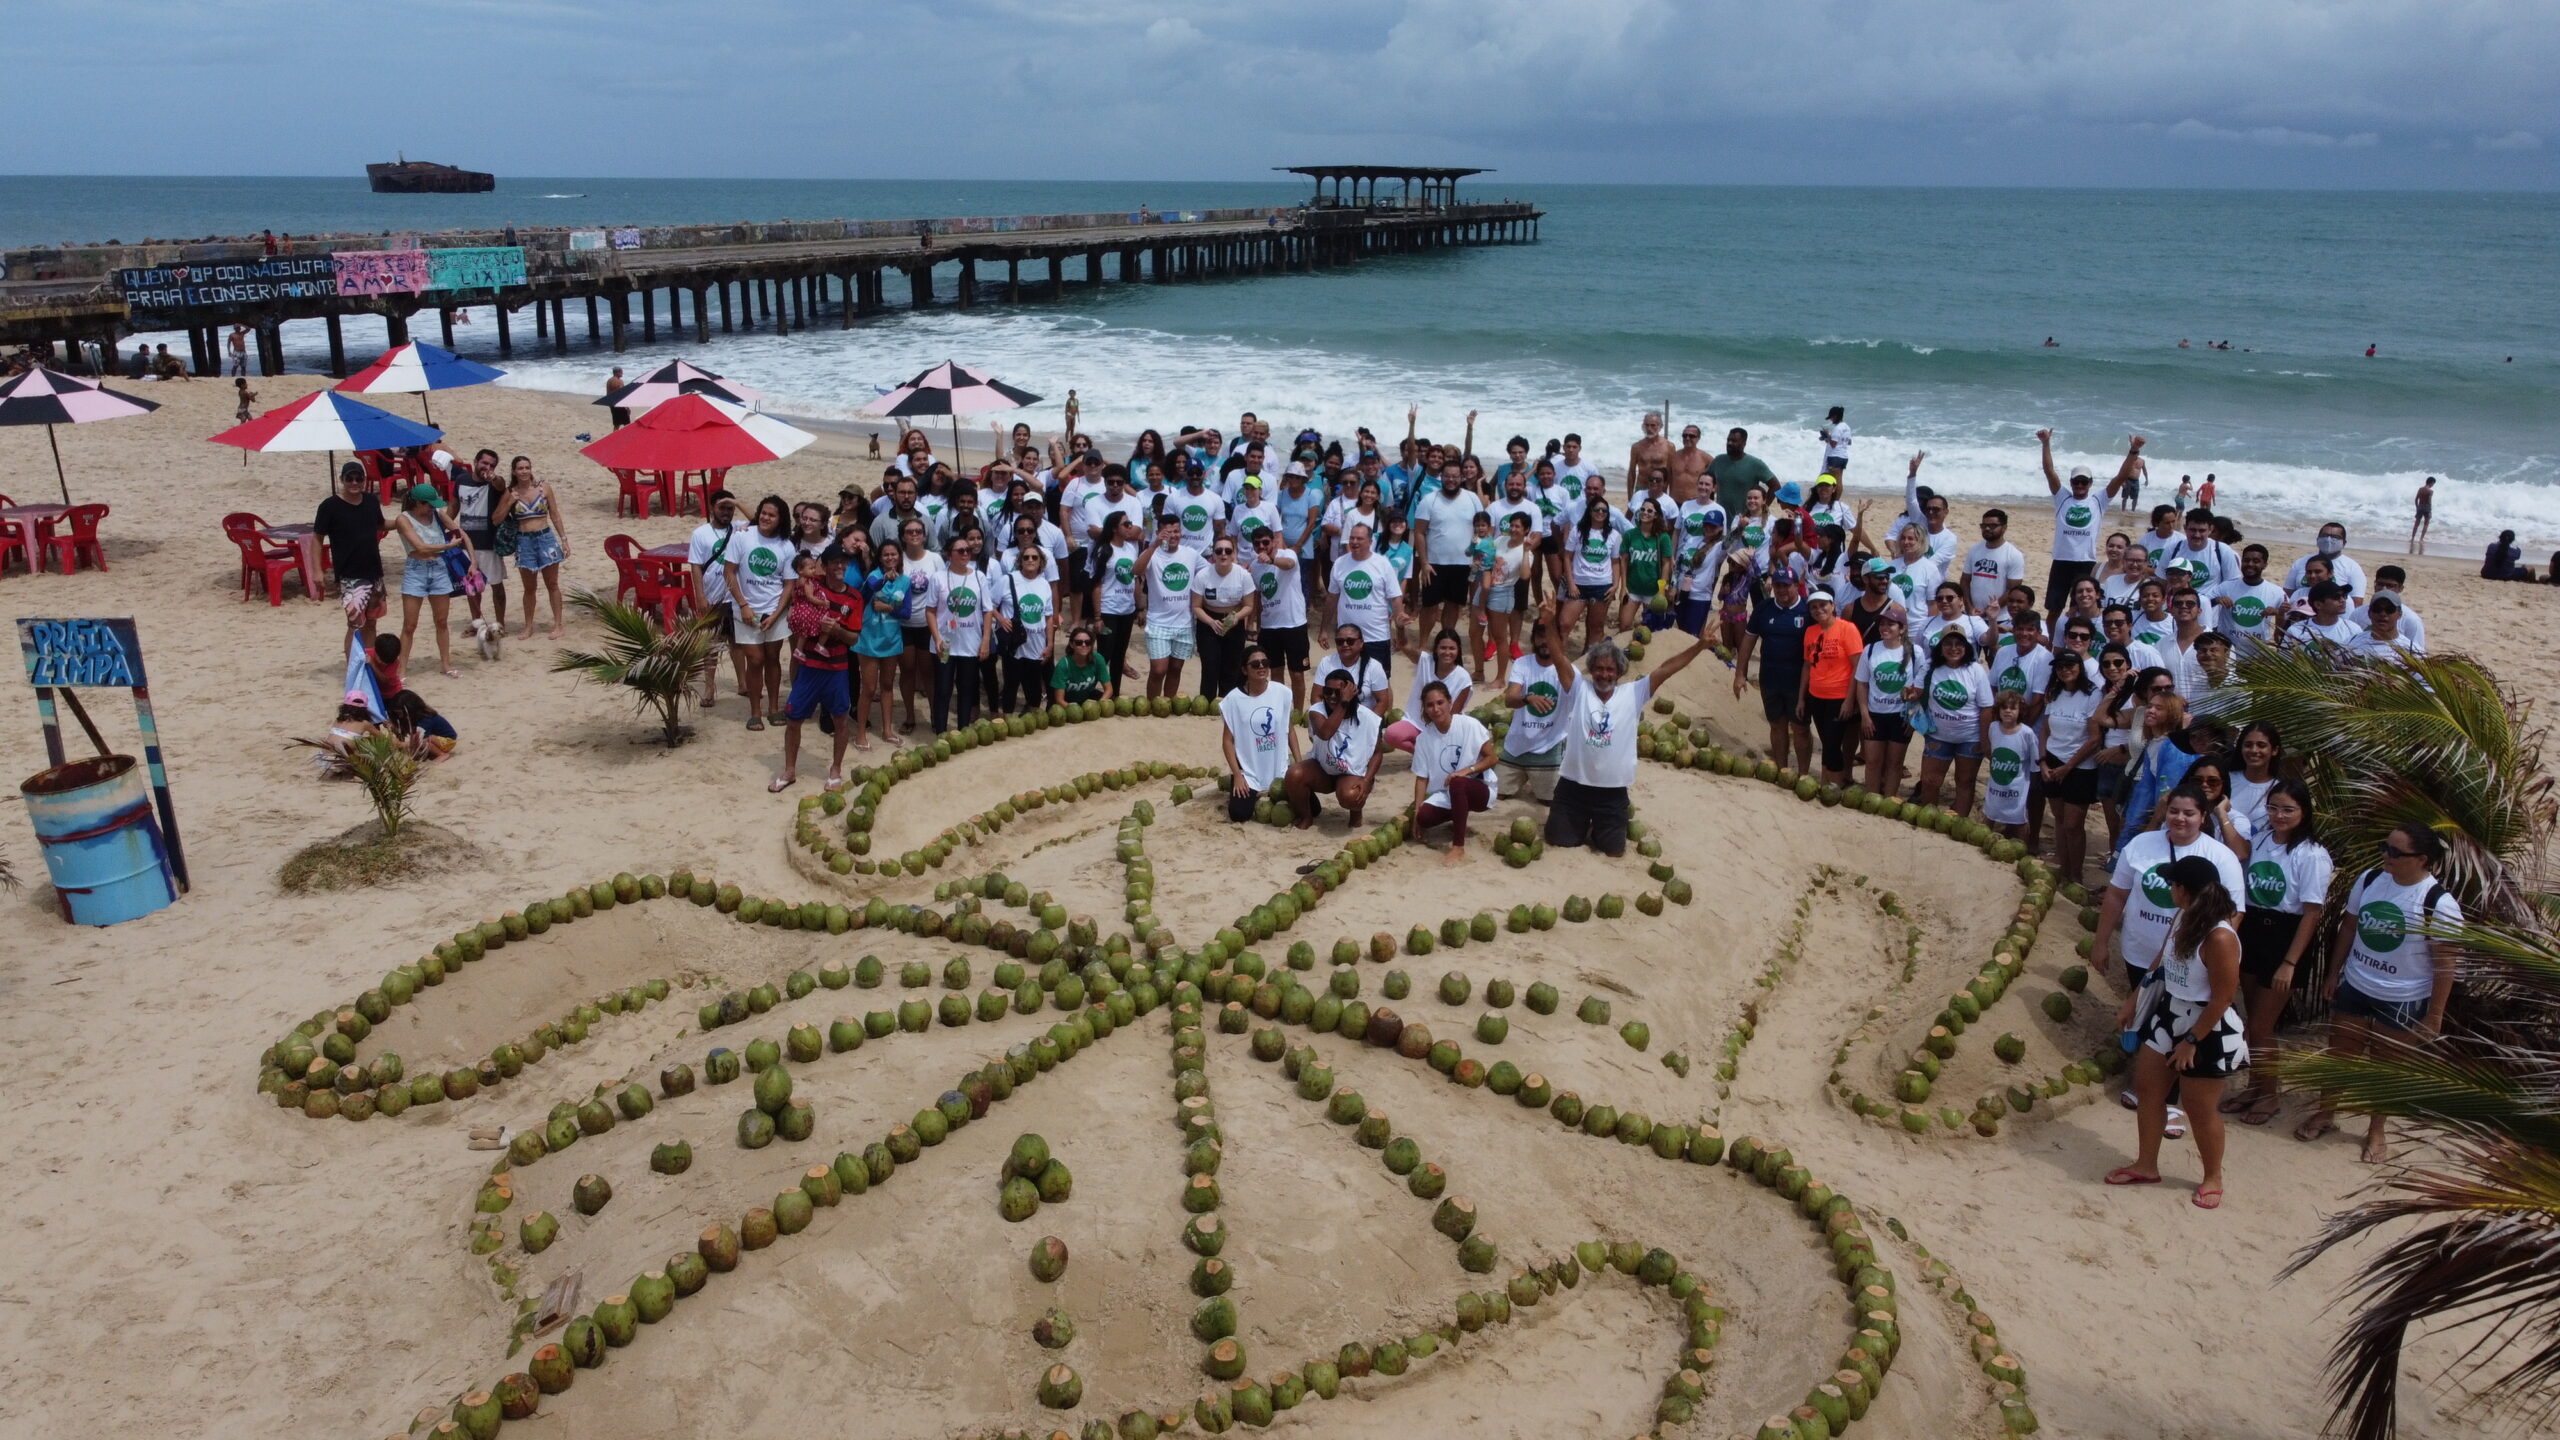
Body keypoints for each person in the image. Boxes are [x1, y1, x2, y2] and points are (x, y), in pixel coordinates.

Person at [2297, 824, 2463, 1162]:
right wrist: (2333, 973)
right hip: (2357, 984)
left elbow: (2446, 962)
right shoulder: (2371, 879)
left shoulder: (2438, 904)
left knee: (2385, 1069)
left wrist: (2435, 1015)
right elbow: (2350, 926)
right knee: (2340, 1055)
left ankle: (2376, 1129)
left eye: (2395, 852)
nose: (2385, 855)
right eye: (2384, 847)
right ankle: (2327, 1112)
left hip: (2402, 997)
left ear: (2422, 859)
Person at [2106, 855, 2247, 1209]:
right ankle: (2146, 1164)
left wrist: (2191, 1041)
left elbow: (2223, 997)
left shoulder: (2219, 937)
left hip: (2206, 1026)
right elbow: (2161, 962)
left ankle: (2213, 1176)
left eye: (2172, 884)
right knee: (2148, 1089)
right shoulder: (2185, 916)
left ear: (2184, 889)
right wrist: (2133, 1001)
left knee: (2200, 1109)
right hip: (2171, 1013)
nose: (2169, 889)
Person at [1534, 594, 1713, 855]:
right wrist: (1550, 623)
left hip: (1612, 791)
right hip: (1574, 786)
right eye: (1599, 669)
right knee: (1558, 839)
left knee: (1613, 849)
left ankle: (1599, 825)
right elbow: (1559, 656)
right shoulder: (1579, 688)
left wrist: (1699, 646)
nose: (1604, 674)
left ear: (1618, 672)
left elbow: (1667, 668)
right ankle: (1579, 823)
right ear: (1591, 669)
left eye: (1610, 670)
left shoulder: (1633, 693)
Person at [2221, 778, 2330, 1127]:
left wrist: (2289, 963)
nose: (2279, 815)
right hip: (2253, 929)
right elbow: (2239, 849)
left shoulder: (2312, 854)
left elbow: (2312, 912)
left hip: (2286, 936)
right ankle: (2256, 1087)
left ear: (2304, 812)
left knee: (2262, 1024)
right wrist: (2221, 813)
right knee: (2253, 1019)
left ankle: (2270, 1093)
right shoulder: (2264, 839)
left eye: (2288, 809)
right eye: (2273, 807)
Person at [774, 547, 862, 790]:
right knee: (793, 718)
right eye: (835, 562)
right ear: (823, 565)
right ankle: (789, 770)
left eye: (844, 563)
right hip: (810, 665)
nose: (840, 567)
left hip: (837, 666)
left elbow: (854, 638)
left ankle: (835, 769)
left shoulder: (854, 597)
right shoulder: (814, 584)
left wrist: (836, 631)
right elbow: (795, 584)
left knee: (841, 720)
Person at [722, 495, 796, 730]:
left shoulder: (786, 545)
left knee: (773, 658)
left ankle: (773, 708)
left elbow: (788, 584)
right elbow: (730, 572)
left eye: (771, 515)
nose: (765, 517)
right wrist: (743, 605)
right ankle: (755, 711)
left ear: (780, 519)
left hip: (775, 611)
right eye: (763, 512)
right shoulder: (742, 537)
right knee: (755, 660)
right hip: (746, 610)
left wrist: (776, 614)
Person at [1408, 679, 1498, 864]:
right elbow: (1422, 778)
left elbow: (1492, 758)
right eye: (1430, 705)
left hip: (1480, 788)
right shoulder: (1424, 739)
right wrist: (1417, 812)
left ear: (1449, 702)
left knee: (1458, 782)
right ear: (1425, 709)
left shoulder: (1469, 725)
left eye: (1440, 702)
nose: (1436, 709)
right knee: (1425, 818)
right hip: (1447, 793)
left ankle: (1458, 847)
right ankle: (1459, 812)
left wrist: (1467, 770)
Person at [1733, 569, 1812, 773]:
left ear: (1796, 585)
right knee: (1777, 725)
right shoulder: (1764, 608)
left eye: (1787, 585)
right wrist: (1740, 674)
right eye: (1778, 585)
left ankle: (1803, 773)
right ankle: (1781, 769)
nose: (1782, 589)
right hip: (1770, 678)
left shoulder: (1808, 609)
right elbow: (1748, 640)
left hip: (1798, 681)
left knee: (1800, 728)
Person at [1288, 663, 1384, 828]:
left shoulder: (1368, 718)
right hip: (1323, 770)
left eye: (1338, 692)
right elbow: (1326, 733)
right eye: (1327, 691)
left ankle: (1356, 815)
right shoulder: (1317, 711)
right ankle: (1306, 816)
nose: (1331, 696)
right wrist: (1343, 703)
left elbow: (1377, 753)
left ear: (1350, 693)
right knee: (1294, 774)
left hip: (1351, 773)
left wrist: (1367, 780)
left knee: (1350, 795)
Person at [1911, 629, 1995, 816]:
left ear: (1966, 647)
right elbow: (1915, 693)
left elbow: (1987, 708)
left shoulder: (1975, 671)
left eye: (1959, 644)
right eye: (1948, 644)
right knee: (1930, 781)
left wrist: (1984, 740)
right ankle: (1929, 817)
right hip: (1938, 734)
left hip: (1970, 738)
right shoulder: (1931, 667)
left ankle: (1960, 819)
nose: (1953, 648)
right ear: (1940, 648)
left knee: (1965, 781)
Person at [392, 483, 466, 680]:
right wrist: (447, 546)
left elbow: (458, 531)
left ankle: (445, 664)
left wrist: (472, 560)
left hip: (439, 569)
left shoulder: (437, 514)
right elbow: (420, 547)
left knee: (442, 621)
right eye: (429, 504)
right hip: (416, 570)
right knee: (410, 624)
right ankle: (401, 670)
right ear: (418, 503)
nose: (432, 508)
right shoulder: (403, 519)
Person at [315, 462, 389, 653]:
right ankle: (352, 671)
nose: (354, 482)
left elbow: (380, 524)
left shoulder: (371, 501)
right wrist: (317, 571)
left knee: (371, 622)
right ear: (342, 480)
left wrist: (405, 521)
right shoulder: (329, 506)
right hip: (350, 576)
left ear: (364, 480)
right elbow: (317, 538)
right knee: (355, 626)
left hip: (374, 573)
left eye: (359, 478)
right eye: (350, 478)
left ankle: (370, 666)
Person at [1496, 618, 1571, 804]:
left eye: (1549, 637)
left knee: (1549, 801)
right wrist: (1527, 698)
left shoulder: (1567, 670)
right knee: (1496, 795)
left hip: (1548, 747)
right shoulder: (1522, 663)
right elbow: (1509, 699)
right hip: (1517, 745)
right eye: (1540, 636)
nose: (1544, 641)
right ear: (1533, 638)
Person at [1218, 645, 1296, 821]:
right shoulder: (1234, 700)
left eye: (1265, 662)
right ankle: (1244, 786)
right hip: (1249, 771)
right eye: (1255, 664)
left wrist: (1298, 764)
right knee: (1239, 814)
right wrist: (1238, 775)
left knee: (1312, 808)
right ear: (1245, 670)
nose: (1261, 667)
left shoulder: (1281, 692)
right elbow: (1227, 741)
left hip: (1279, 767)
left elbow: (1289, 730)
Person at [1412, 460, 1485, 642]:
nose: (1451, 480)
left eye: (1455, 476)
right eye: (1447, 476)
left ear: (1461, 477)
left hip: (1464, 564)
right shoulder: (1430, 500)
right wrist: (1424, 563)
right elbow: (1419, 532)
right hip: (1434, 565)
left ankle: (1446, 641)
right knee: (1430, 606)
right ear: (1441, 477)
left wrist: (1478, 554)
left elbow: (1481, 529)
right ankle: (1422, 644)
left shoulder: (1472, 498)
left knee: (1453, 605)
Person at [1850, 609, 1918, 801]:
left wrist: (1912, 717)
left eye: (1891, 624)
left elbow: (1920, 687)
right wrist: (1865, 715)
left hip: (1900, 716)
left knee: (1894, 763)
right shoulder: (1870, 650)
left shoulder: (1914, 652)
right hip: (1875, 714)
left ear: (1902, 628)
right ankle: (1872, 799)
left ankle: (1889, 800)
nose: (1885, 628)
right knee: (1872, 761)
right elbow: (1862, 684)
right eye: (1882, 624)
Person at [1328, 522, 1404, 685]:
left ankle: (1384, 712)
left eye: (1360, 538)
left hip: (1376, 636)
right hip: (1347, 639)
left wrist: (1398, 629)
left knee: (1382, 683)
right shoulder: (1340, 563)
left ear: (1370, 541)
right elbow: (1332, 597)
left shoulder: (1382, 564)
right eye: (1352, 538)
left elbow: (1396, 597)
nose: (1354, 542)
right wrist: (1323, 630)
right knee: (1347, 681)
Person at [503, 456, 569, 641]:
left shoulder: (543, 488)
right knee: (529, 587)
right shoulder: (511, 492)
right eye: (520, 468)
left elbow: (555, 514)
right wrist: (509, 502)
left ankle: (558, 624)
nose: (524, 471)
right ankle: (528, 625)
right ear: (514, 471)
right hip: (524, 541)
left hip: (545, 538)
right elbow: (497, 517)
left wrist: (564, 539)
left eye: (527, 467)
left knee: (552, 584)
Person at [852, 546, 909, 750]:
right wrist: (885, 579)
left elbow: (906, 613)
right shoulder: (873, 577)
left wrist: (888, 608)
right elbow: (867, 593)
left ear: (899, 556)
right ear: (880, 557)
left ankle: (887, 730)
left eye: (894, 554)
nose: (890, 557)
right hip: (869, 639)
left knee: (887, 685)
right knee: (868, 688)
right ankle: (860, 733)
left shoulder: (905, 580)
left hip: (892, 638)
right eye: (886, 554)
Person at [1139, 516, 1202, 700]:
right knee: (1159, 670)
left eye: (1176, 531)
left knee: (1176, 668)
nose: (1173, 535)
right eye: (1168, 532)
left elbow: (1209, 572)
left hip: (1184, 623)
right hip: (1158, 622)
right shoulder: (1153, 553)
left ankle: (1167, 703)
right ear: (1159, 533)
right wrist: (1153, 546)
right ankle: (1151, 704)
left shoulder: (1190, 554)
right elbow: (1136, 570)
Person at [993, 543, 1059, 715]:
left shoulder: (1044, 584)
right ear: (1020, 561)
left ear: (1041, 562)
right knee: (1011, 684)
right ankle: (1007, 719)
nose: (1030, 560)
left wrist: (1050, 643)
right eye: (1026, 557)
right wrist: (1001, 619)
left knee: (1034, 688)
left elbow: (1049, 616)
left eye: (1034, 557)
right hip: (1015, 644)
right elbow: (989, 605)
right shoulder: (1008, 580)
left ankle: (1030, 717)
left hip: (1037, 643)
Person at [1190, 534, 1257, 699]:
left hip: (1234, 620)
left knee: (1232, 665)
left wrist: (1236, 618)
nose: (1223, 555)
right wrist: (1211, 622)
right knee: (1210, 664)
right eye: (1219, 551)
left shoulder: (1243, 575)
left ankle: (1229, 703)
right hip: (1208, 621)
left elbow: (1249, 605)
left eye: (1228, 550)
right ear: (1213, 554)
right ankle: (1206, 703)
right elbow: (1196, 606)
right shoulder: (1203, 575)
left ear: (1234, 554)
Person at [1388, 629, 1474, 752]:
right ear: (1436, 649)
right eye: (1443, 648)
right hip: (1416, 722)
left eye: (1452, 648)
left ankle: (1430, 753)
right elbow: (1404, 645)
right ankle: (1421, 754)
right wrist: (1400, 627)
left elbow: (1454, 715)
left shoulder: (1463, 678)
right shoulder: (1425, 661)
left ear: (1458, 650)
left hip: (1444, 727)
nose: (1447, 652)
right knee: (1392, 734)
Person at [1561, 495, 1623, 657]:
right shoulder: (1578, 531)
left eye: (1604, 510)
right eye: (1597, 509)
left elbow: (1616, 562)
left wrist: (1615, 585)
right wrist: (1571, 583)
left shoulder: (1613, 535)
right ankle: (1558, 659)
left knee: (1595, 627)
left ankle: (1586, 660)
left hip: (1602, 586)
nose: (1600, 512)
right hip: (1579, 585)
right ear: (1590, 511)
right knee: (1564, 624)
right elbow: (1567, 557)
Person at [1094, 510, 1145, 697]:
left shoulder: (1131, 549)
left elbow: (1136, 580)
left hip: (1127, 609)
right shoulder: (1104, 550)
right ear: (1115, 528)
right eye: (1126, 524)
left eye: (1130, 523)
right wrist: (1097, 616)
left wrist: (1140, 608)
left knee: (1119, 654)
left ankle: (1114, 693)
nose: (1130, 527)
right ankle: (1088, 688)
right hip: (1108, 610)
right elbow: (1096, 584)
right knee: (1104, 654)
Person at [1981, 690, 2038, 839]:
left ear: (2020, 711)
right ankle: (1982, 839)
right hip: (1996, 784)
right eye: (2004, 708)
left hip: (2017, 786)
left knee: (2018, 817)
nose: (2008, 711)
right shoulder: (1993, 727)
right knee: (1990, 812)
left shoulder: (2027, 733)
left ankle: (2021, 844)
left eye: (2013, 708)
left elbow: (2034, 761)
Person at [1963, 507, 2027, 617]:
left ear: (2004, 528)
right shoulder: (1974, 549)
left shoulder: (2014, 554)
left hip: (2000, 617)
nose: (1987, 528)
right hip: (1973, 614)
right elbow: (1965, 580)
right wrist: (1969, 607)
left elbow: (2012, 590)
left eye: (1993, 526)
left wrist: (1989, 610)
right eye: (1984, 526)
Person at [1706, 427, 1775, 517]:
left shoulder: (1755, 464)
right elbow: (1708, 483)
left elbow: (1775, 486)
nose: (1729, 443)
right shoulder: (1718, 460)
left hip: (1745, 520)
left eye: (1734, 441)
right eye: (1728, 440)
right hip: (1720, 518)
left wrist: (1762, 508)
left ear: (1744, 443)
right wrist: (1709, 506)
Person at [383, 688, 457, 760]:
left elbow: (420, 739)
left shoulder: (425, 719)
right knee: (422, 740)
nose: (399, 716)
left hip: (447, 741)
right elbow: (405, 733)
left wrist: (402, 744)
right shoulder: (412, 718)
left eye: (400, 713)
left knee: (424, 740)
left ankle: (442, 754)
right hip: (434, 739)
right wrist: (392, 728)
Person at [2408, 476, 2434, 554]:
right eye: (2433, 483)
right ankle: (2421, 539)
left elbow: (2416, 499)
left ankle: (2412, 538)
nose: (2433, 485)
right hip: (2427, 508)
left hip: (2420, 507)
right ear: (2431, 483)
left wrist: (2417, 507)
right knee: (2426, 524)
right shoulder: (2430, 491)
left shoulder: (2420, 489)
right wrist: (2430, 510)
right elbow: (2429, 502)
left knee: (2416, 523)